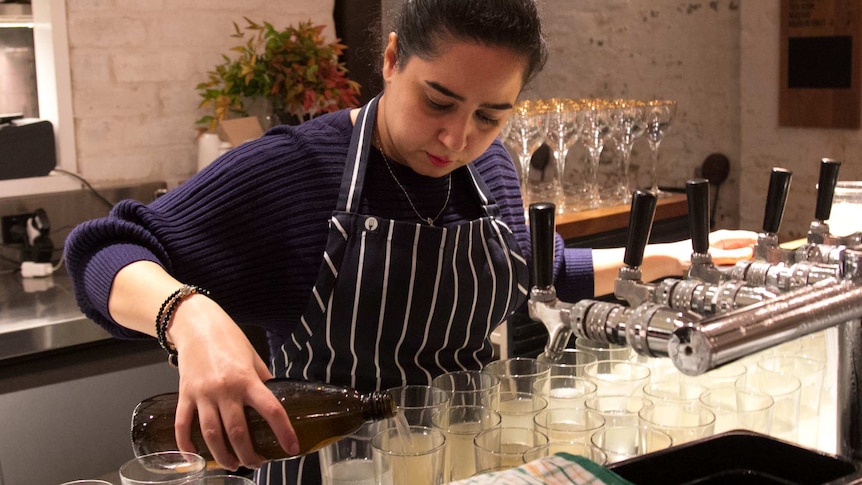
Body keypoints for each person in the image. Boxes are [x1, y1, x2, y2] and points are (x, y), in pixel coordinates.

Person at [64, 0, 755, 483]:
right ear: (392, 59)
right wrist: (188, 314)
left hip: (462, 468)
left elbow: (516, 268)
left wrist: (666, 259)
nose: (457, 138)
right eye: (438, 100)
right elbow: (102, 248)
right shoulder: (298, 168)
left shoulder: (489, 169)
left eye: (491, 114)